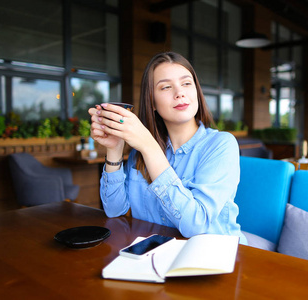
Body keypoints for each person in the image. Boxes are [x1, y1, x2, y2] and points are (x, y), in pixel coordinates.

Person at [88, 52, 247, 245]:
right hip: (157, 254)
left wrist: (148, 146)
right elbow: (115, 210)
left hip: (216, 258)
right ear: (152, 102)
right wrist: (114, 148)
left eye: (186, 83)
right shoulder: (141, 151)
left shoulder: (222, 145)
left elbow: (195, 225)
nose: (179, 92)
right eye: (166, 87)